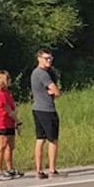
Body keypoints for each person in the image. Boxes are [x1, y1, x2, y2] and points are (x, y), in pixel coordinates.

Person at [31, 48, 62, 178]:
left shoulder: (35, 73)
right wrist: (56, 92)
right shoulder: (43, 73)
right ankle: (52, 169)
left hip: (37, 108)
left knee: (40, 139)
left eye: (50, 58)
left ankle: (39, 170)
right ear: (39, 59)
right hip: (47, 109)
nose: (49, 61)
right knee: (53, 139)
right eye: (46, 58)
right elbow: (55, 90)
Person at [0, 70, 23, 179]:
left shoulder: (7, 93)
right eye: (7, 78)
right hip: (2, 122)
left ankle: (10, 168)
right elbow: (8, 110)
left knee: (10, 146)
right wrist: (18, 120)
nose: (10, 80)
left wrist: (15, 121)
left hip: (9, 122)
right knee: (2, 146)